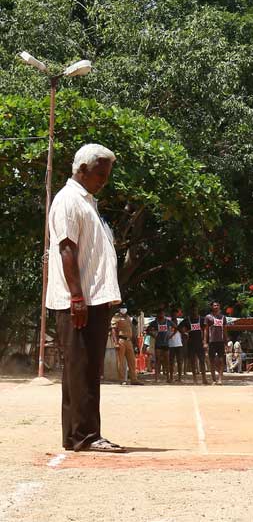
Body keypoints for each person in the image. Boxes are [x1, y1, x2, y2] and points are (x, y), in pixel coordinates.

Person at [46, 143, 125, 452]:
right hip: (79, 300)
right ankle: (85, 436)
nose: (103, 180)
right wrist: (77, 297)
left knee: (86, 368)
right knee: (82, 368)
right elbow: (67, 249)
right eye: (99, 174)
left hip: (93, 298)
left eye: (106, 174)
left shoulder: (87, 201)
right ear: (82, 170)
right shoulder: (68, 200)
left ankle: (78, 434)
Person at [110, 304, 142, 385]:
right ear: (120, 309)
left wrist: (135, 343)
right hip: (121, 340)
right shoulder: (116, 317)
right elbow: (113, 331)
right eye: (123, 308)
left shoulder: (128, 317)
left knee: (132, 361)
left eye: (125, 308)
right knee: (121, 361)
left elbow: (132, 330)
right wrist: (115, 343)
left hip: (129, 341)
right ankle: (122, 380)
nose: (124, 309)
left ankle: (134, 379)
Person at [204, 301, 228, 385]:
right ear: (212, 307)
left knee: (221, 361)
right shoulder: (208, 317)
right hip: (212, 342)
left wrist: (226, 342)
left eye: (217, 305)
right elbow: (206, 331)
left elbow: (225, 331)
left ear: (219, 306)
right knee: (212, 361)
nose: (216, 306)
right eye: (214, 305)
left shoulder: (223, 317)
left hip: (220, 342)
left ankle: (220, 379)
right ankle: (213, 379)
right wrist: (205, 342)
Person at [184, 304, 209, 385]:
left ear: (197, 311)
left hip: (199, 343)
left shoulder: (202, 319)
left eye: (195, 310)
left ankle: (204, 378)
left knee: (202, 360)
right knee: (192, 361)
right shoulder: (187, 320)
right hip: (190, 343)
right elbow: (179, 327)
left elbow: (205, 330)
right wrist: (184, 333)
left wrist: (205, 341)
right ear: (190, 311)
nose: (194, 312)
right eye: (192, 310)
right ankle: (195, 379)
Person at [152, 308, 175, 383]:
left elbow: (176, 328)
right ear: (158, 314)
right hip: (158, 344)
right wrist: (153, 335)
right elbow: (148, 330)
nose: (161, 315)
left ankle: (168, 377)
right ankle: (156, 378)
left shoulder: (168, 322)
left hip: (166, 344)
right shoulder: (155, 322)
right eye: (160, 313)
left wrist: (171, 335)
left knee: (167, 361)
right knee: (157, 360)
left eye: (163, 313)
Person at [168, 315, 184, 383]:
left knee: (179, 361)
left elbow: (183, 332)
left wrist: (177, 328)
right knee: (171, 362)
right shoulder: (168, 327)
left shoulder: (179, 328)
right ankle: (171, 377)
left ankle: (179, 378)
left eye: (176, 321)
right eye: (173, 321)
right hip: (171, 345)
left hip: (179, 345)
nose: (175, 322)